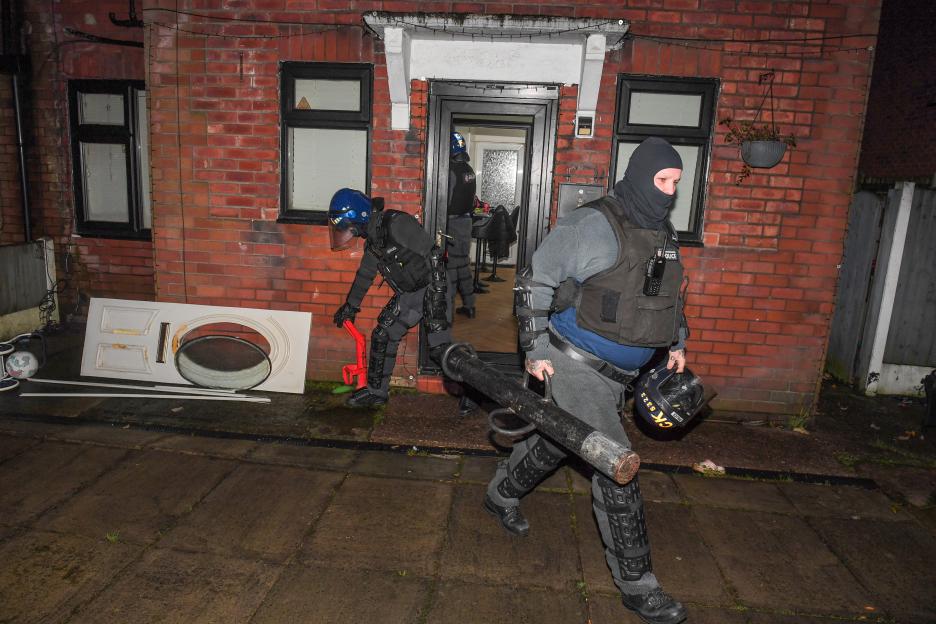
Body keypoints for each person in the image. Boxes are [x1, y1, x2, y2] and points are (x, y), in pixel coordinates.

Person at [483, 137, 690, 624]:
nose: (669, 191)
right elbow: (534, 281)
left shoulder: (661, 231)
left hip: (621, 374)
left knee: (560, 441)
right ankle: (638, 586)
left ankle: (499, 494)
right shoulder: (592, 224)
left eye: (676, 183)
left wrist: (676, 342)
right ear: (640, 177)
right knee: (614, 462)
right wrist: (534, 350)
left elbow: (664, 295)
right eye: (663, 180)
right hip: (573, 363)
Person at [330, 188, 451, 408]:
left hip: (433, 287)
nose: (350, 232)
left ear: (359, 217)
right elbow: (365, 275)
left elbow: (435, 255)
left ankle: (474, 393)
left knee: (441, 350)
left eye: (349, 227)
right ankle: (376, 392)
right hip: (410, 293)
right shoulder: (375, 241)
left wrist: (437, 300)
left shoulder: (396, 224)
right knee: (383, 334)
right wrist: (350, 306)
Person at [447, 131, 478, 317]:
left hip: (452, 225)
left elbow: (446, 201)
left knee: (450, 268)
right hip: (466, 223)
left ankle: (448, 314)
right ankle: (470, 306)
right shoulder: (470, 170)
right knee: (463, 266)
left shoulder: (451, 171)